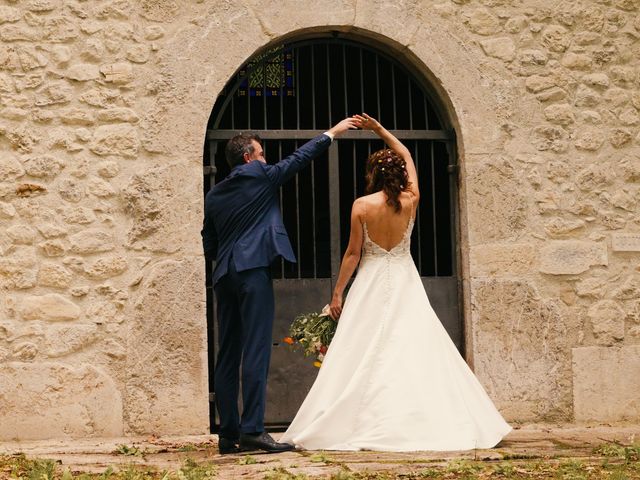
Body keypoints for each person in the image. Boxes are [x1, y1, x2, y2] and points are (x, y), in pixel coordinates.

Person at [280, 113, 512, 452]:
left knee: (361, 347)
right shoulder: (412, 200)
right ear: (400, 175)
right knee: (414, 342)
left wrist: (338, 292)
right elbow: (406, 154)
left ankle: (356, 419)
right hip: (404, 277)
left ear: (372, 174)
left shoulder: (362, 206)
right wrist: (380, 130)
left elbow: (352, 254)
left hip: (371, 280)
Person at [201, 118, 357, 454]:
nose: (265, 159)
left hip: (225, 276)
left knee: (227, 354)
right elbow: (297, 160)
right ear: (247, 158)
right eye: (261, 154)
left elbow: (209, 243)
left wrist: (230, 249)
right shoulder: (257, 175)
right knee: (255, 349)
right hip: (252, 270)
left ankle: (228, 435)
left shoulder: (214, 195)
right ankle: (254, 430)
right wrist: (333, 132)